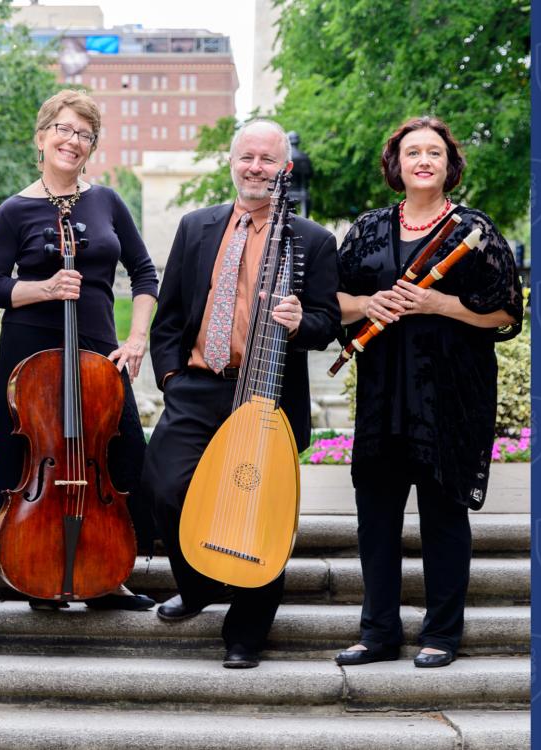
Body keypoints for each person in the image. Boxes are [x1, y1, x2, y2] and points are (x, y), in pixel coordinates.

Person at [141, 119, 340, 668]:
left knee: (260, 509)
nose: (256, 167)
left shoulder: (314, 240)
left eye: (268, 159)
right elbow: (171, 314)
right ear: (232, 162)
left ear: (285, 169)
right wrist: (171, 378)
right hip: (200, 386)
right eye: (247, 157)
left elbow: (328, 322)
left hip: (269, 392)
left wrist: (303, 321)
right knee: (161, 486)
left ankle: (246, 633)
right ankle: (201, 583)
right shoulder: (196, 226)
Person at [333, 116, 523, 668]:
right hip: (382, 394)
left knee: (443, 517)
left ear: (448, 165)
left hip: (450, 396)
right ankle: (378, 633)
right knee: (376, 520)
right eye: (412, 151)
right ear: (396, 164)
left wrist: (438, 304)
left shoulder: (475, 231)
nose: (422, 160)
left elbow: (507, 312)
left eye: (433, 153)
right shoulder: (368, 229)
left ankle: (442, 634)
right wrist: (369, 304)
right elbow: (332, 299)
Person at [0, 89, 159, 612]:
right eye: (63, 129)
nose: (73, 141)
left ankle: (107, 573)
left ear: (92, 146)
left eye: (84, 134)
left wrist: (137, 338)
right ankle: (33, 565)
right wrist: (46, 288)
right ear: (41, 137)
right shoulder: (15, 210)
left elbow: (144, 273)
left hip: (99, 348)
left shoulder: (106, 201)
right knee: (34, 458)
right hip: (31, 352)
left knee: (120, 451)